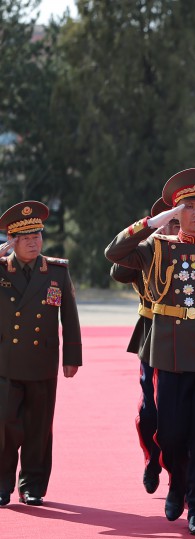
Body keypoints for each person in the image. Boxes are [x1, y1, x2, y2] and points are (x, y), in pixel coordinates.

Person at [105, 168, 195, 536]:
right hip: (171, 354)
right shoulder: (157, 247)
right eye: (189, 207)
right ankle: (177, 483)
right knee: (170, 435)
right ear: (176, 212)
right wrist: (153, 222)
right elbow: (113, 252)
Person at [0, 201, 81, 507]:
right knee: (4, 426)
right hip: (6, 361)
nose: (34, 241)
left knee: (38, 428)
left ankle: (32, 485)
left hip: (42, 362)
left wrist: (72, 357)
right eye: (26, 237)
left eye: (38, 235)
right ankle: (2, 483)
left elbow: (69, 317)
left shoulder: (56, 271)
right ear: (12, 241)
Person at [109, 197, 179, 494]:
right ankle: (152, 459)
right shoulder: (149, 251)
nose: (176, 228)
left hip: (188, 337)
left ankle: (180, 476)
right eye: (171, 222)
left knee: (180, 413)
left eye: (179, 222)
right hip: (152, 333)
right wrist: (148, 237)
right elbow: (118, 271)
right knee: (150, 412)